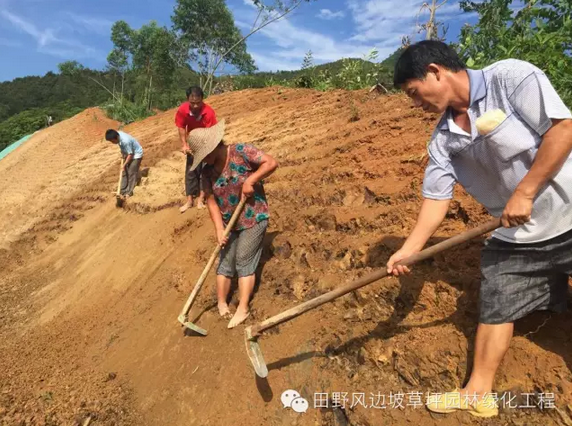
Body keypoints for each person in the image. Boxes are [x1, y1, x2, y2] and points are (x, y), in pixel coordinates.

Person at [387, 40, 572, 418]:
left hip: (569, 214)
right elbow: (436, 200)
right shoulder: (442, 140)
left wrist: (525, 190)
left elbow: (564, 129)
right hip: (518, 235)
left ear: (435, 72)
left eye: (414, 92)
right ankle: (477, 392)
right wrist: (410, 249)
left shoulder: (510, 78)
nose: (415, 103)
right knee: (496, 300)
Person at [185, 119, 278, 328]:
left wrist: (250, 181)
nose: (205, 160)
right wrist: (219, 230)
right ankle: (221, 303)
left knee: (243, 259)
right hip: (230, 223)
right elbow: (211, 202)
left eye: (206, 155)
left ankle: (243, 307)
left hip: (254, 217)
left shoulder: (241, 151)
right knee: (225, 262)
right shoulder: (207, 172)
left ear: (214, 146)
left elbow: (271, 163)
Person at [175, 86, 218, 213]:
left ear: (202, 100)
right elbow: (181, 127)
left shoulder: (209, 112)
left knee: (204, 172)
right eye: (192, 103)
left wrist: (207, 149)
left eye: (198, 103)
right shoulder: (183, 110)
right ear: (187, 99)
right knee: (191, 171)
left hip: (206, 142)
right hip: (192, 142)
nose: (195, 106)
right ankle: (189, 201)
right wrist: (184, 144)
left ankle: (201, 199)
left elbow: (212, 132)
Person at [105, 129, 144, 197]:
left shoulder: (126, 141)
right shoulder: (118, 134)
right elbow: (122, 147)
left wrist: (124, 164)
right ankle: (122, 190)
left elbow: (131, 154)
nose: (112, 142)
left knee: (131, 172)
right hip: (128, 153)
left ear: (116, 137)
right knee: (124, 172)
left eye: (112, 141)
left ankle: (129, 192)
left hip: (136, 154)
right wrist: (123, 154)